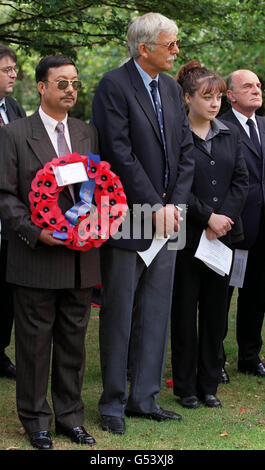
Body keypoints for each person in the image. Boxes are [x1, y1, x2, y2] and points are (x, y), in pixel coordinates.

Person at [92, 12, 194, 434]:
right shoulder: (114, 87)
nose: (176, 51)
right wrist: (154, 204)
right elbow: (118, 153)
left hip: (171, 217)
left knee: (156, 310)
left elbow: (187, 149)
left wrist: (177, 205)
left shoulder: (171, 88)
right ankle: (113, 403)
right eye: (169, 44)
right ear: (143, 48)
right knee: (118, 312)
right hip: (130, 215)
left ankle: (144, 397)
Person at [0, 54, 101, 449]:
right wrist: (34, 232)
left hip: (81, 258)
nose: (70, 90)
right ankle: (36, 420)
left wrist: (99, 222)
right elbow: (6, 196)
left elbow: (98, 189)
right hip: (36, 257)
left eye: (75, 83)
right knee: (35, 344)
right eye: (62, 83)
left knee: (74, 343)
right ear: (41, 87)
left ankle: (70, 418)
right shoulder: (14, 134)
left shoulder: (87, 131)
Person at [170, 61, 248, 409]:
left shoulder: (230, 133)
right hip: (188, 237)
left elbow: (241, 180)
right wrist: (207, 217)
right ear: (188, 98)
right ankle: (186, 387)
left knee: (216, 314)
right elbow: (176, 186)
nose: (215, 103)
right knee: (185, 313)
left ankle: (209, 384)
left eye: (219, 97)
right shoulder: (176, 134)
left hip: (225, 237)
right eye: (207, 96)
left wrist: (225, 217)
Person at [219, 69, 265, 378]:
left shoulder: (263, 125)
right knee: (221, 296)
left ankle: (250, 356)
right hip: (231, 225)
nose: (256, 90)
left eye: (258, 85)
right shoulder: (220, 126)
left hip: (263, 227)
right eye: (248, 86)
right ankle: (214, 358)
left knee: (257, 295)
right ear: (230, 95)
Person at [0, 44, 26, 380]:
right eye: (6, 69)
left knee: (6, 286)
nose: (13, 74)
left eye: (14, 68)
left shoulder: (14, 107)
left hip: (9, 215)